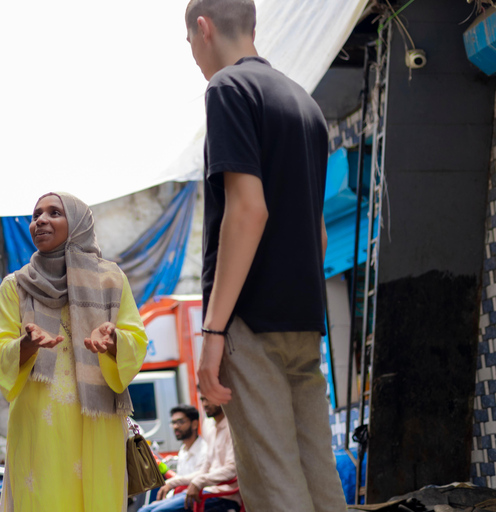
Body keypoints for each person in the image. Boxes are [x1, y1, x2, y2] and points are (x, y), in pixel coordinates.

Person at [184, 1, 347, 511]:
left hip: (249, 319)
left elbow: (248, 210)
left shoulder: (228, 90)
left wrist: (213, 331)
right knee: (319, 479)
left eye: (188, 40)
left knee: (275, 488)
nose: (192, 52)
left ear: (203, 29)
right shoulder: (305, 104)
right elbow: (317, 233)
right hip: (302, 318)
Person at [0, 192, 148, 512]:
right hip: (38, 419)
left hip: (97, 418)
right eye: (36, 215)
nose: (40, 221)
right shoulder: (15, 285)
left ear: (77, 224)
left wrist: (114, 341)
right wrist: (27, 344)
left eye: (53, 213)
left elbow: (136, 339)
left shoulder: (111, 279)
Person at [140, 396, 240, 512]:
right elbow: (204, 471)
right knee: (144, 510)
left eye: (209, 399)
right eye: (202, 400)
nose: (205, 404)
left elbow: (232, 469)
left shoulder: (231, 429)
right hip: (203, 491)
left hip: (222, 495)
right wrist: (172, 482)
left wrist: (197, 482)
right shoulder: (211, 429)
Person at [168, 404, 207, 477]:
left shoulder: (204, 451)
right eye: (173, 423)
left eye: (180, 422)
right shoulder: (183, 449)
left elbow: (198, 481)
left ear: (194, 424)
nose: (175, 426)